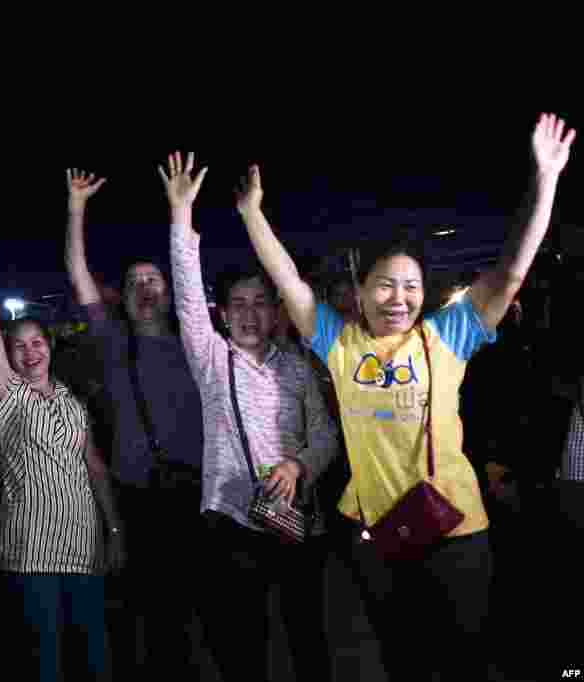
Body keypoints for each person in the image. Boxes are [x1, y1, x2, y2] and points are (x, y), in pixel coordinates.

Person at [236, 113, 575, 681]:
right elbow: (290, 282)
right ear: (361, 292)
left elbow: (512, 271)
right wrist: (252, 215)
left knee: (462, 661)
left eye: (412, 285)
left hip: (455, 531)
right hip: (377, 539)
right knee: (400, 658)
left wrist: (546, 179)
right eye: (386, 285)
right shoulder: (340, 345)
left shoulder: (446, 336)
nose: (400, 297)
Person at [161, 151, 340, 681]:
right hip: (232, 523)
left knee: (308, 637)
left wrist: (299, 466)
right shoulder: (213, 359)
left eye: (260, 301)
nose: (248, 311)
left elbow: (325, 433)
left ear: (275, 309)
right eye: (237, 303)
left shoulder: (299, 366)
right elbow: (189, 298)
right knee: (242, 647)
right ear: (223, 313)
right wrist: (181, 215)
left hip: (295, 522)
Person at [0, 213, 124, 681]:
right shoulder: (9, 397)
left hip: (84, 544)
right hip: (30, 549)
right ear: (9, 356)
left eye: (37, 342)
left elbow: (94, 468)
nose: (30, 352)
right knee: (44, 659)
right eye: (19, 346)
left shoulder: (73, 402)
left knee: (96, 655)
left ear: (49, 346)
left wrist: (113, 531)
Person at [63, 167, 204, 676]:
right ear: (120, 295)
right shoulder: (112, 339)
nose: (146, 287)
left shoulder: (195, 341)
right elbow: (78, 273)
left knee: (189, 616)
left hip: (194, 492)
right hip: (138, 494)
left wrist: (180, 211)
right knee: (139, 611)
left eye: (154, 279)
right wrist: (77, 207)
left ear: (167, 289)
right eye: (135, 281)